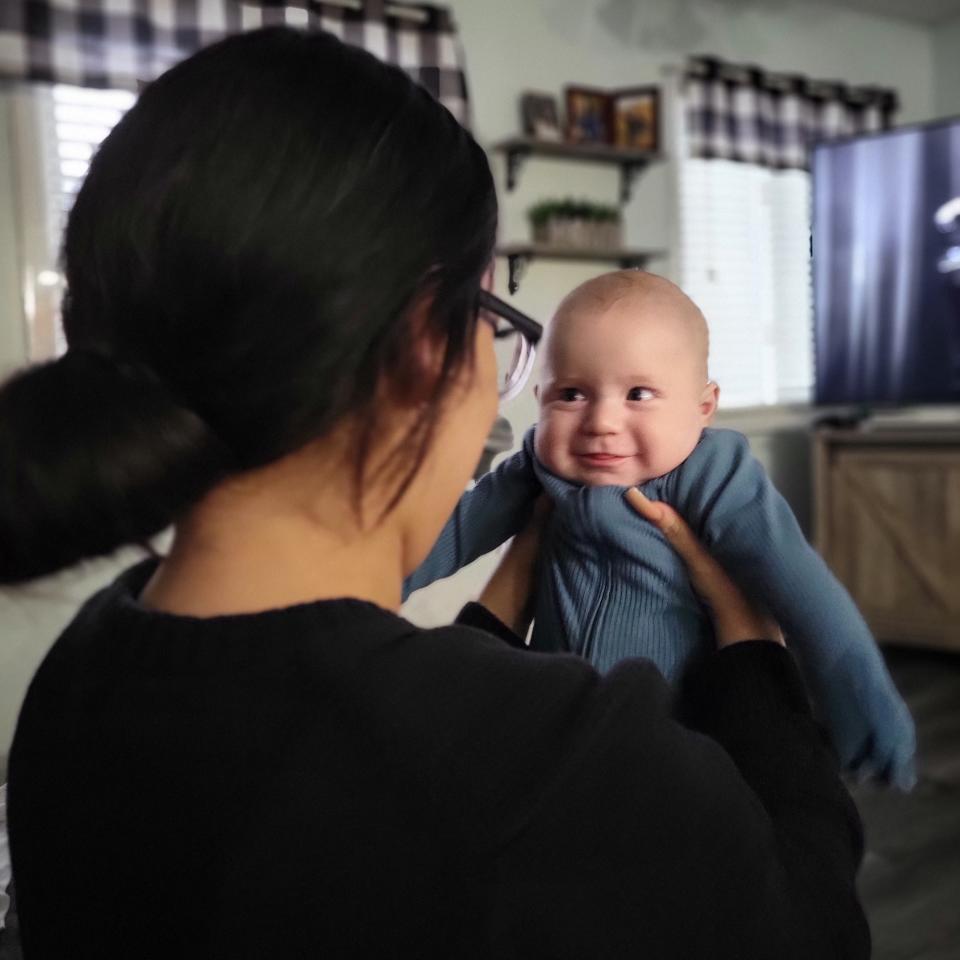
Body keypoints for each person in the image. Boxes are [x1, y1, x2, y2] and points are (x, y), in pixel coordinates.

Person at [1, 26, 869, 959]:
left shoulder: (83, 667)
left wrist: (503, 599)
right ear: (427, 342)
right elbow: (811, 921)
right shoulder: (566, 762)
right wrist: (750, 639)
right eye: (490, 320)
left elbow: (357, 749)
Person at [407, 269, 916, 788]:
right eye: (572, 394)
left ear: (703, 408)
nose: (601, 421)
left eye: (639, 394)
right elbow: (449, 534)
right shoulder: (540, 468)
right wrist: (357, 585)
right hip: (555, 734)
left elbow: (800, 585)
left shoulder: (712, 474)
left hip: (682, 745)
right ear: (539, 396)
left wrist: (863, 707)